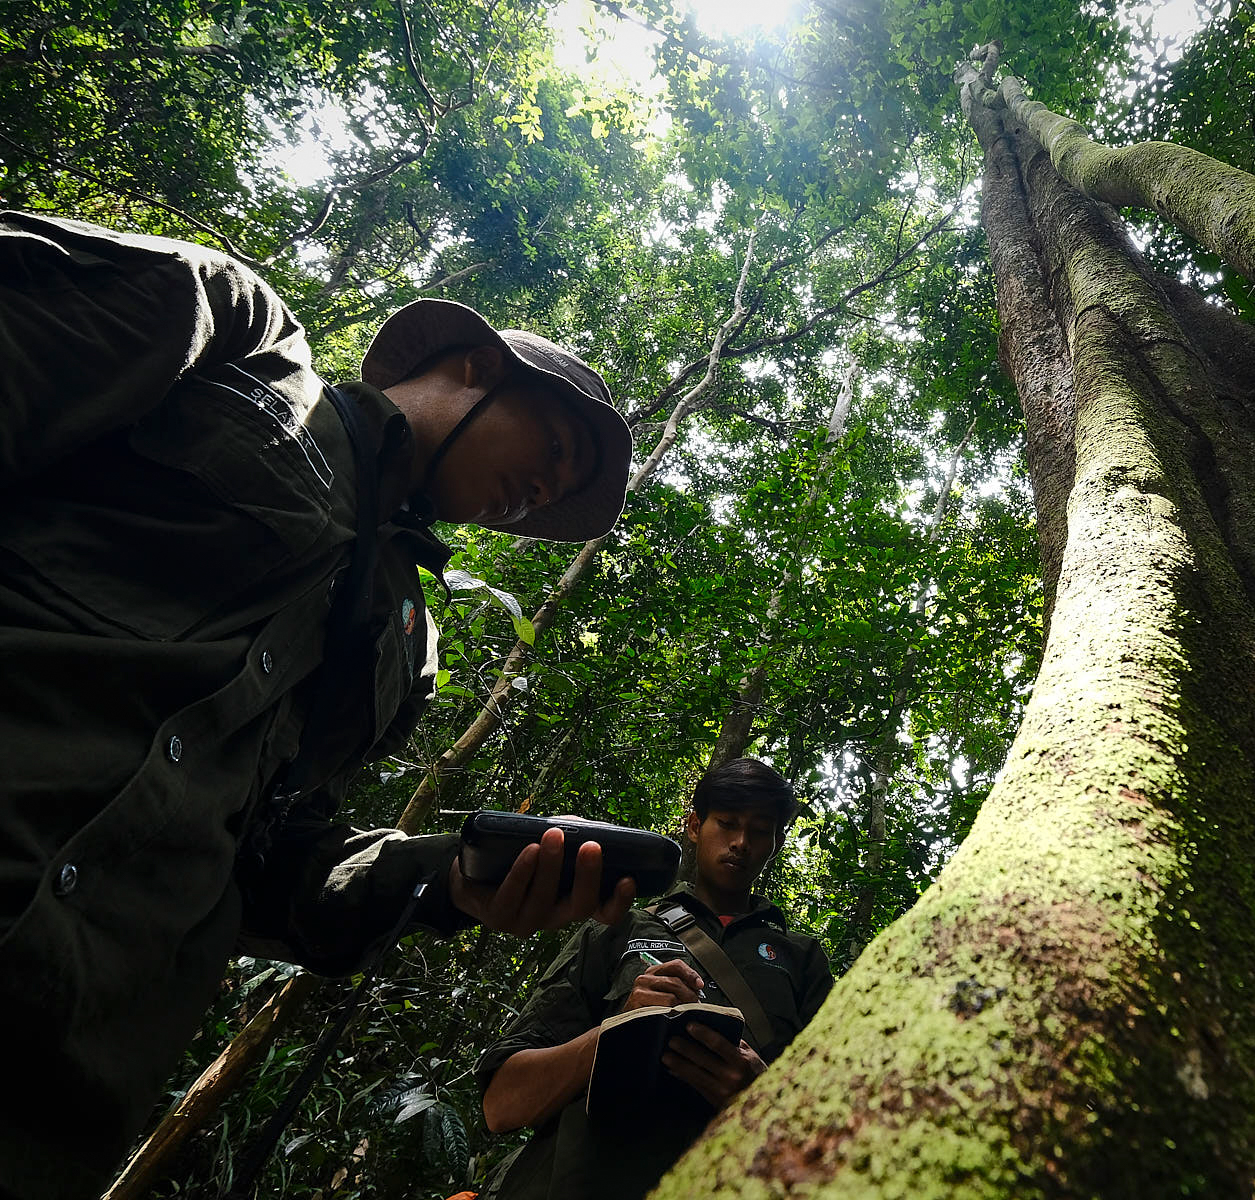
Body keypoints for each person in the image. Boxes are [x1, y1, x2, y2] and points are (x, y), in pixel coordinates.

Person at [0, 211, 639, 1200]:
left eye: (560, 488)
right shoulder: (236, 333)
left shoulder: (404, 655)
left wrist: (449, 884)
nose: (546, 485)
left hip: (51, 1089)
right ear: (470, 366)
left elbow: (262, 865)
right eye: (554, 442)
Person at [476, 757, 834, 1200]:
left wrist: (763, 1098)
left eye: (760, 831)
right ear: (694, 825)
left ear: (774, 845)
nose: (741, 842)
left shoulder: (802, 958)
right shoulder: (616, 927)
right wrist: (620, 1026)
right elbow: (502, 1104)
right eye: (727, 822)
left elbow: (840, 1133)